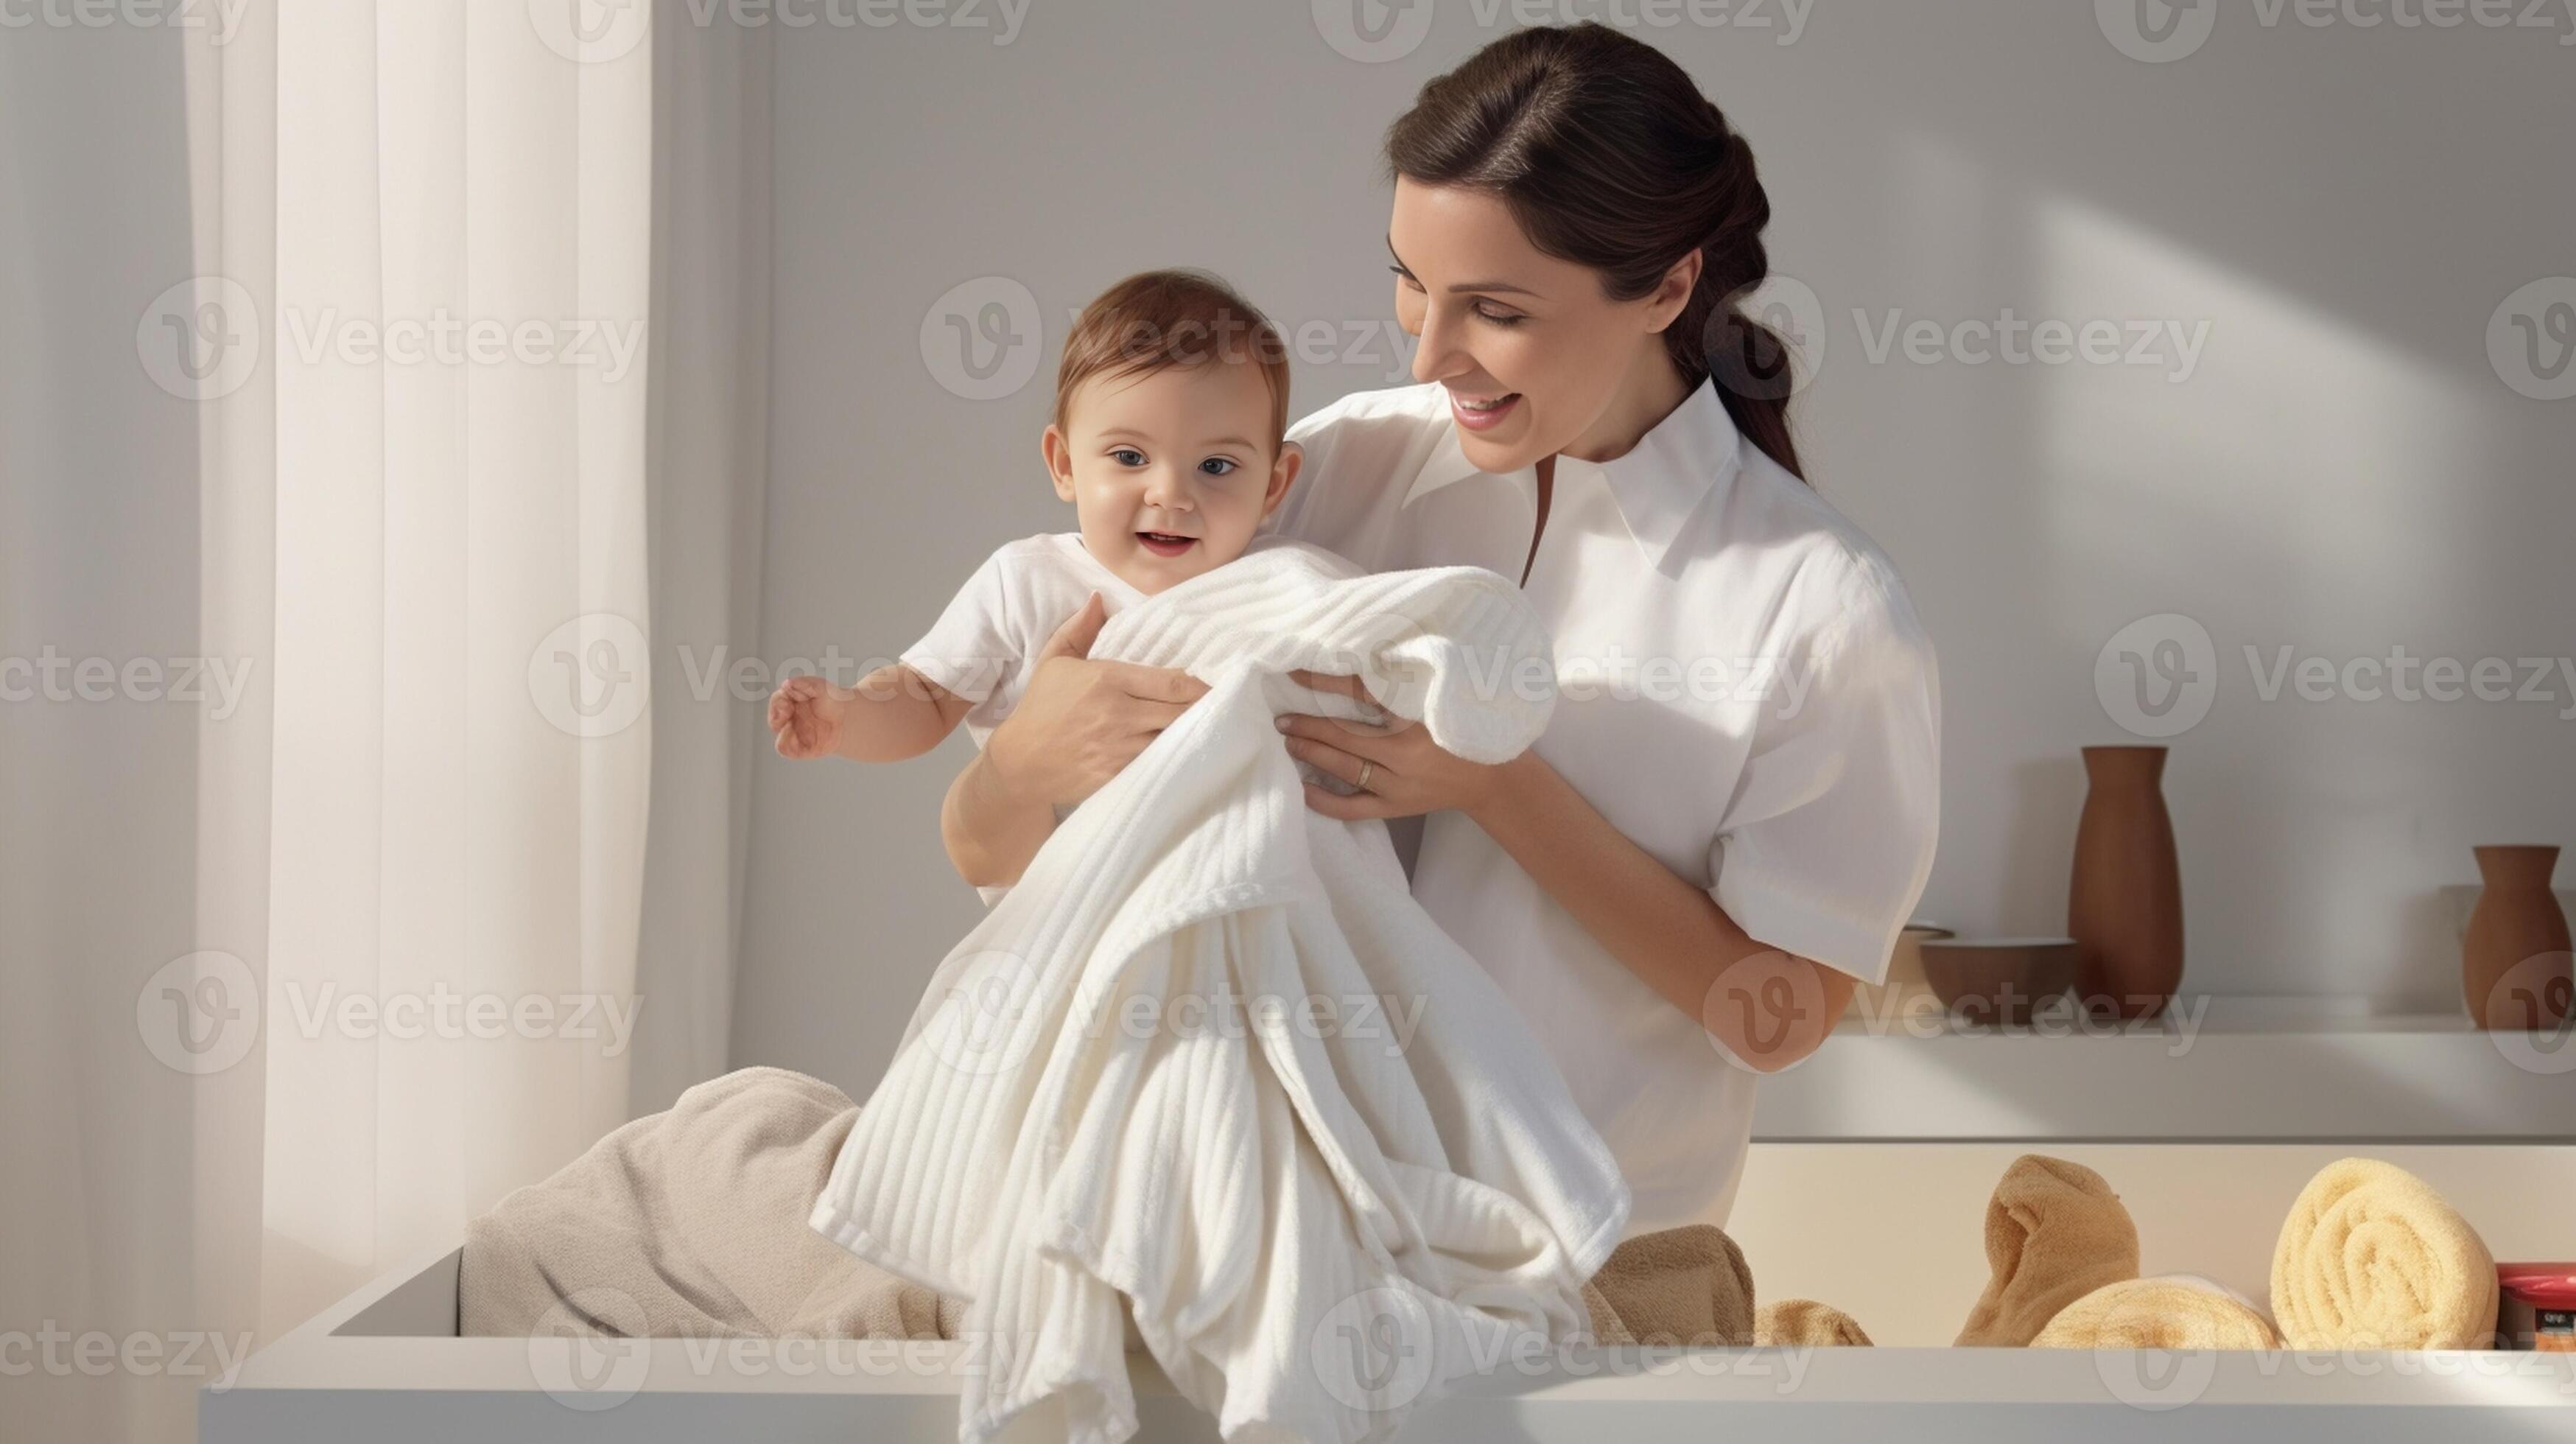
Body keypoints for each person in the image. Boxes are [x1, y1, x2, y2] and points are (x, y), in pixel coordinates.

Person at [938, 23, 1941, 1235]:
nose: (1427, 352)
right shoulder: (1317, 472)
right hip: (1255, 1225)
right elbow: (1001, 857)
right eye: (1410, 282)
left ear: (1666, 289)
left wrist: (1500, 792)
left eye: (1495, 310)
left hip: (1584, 1277)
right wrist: (1014, 766)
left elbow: (1771, 1020)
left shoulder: (1817, 607)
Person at [767, 268, 1305, 909]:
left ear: (1273, 486)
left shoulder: (1285, 586)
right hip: (1061, 914)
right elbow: (926, 696)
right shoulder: (1029, 582)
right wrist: (849, 716)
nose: (1170, 494)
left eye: (1216, 467)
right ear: (1064, 464)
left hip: (1231, 897)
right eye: (1129, 458)